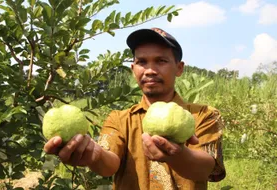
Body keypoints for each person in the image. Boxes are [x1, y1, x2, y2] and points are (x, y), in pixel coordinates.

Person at [44, 28, 226, 189]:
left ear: (179, 68)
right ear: (133, 69)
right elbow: (110, 164)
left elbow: (206, 169)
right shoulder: (119, 118)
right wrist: (93, 155)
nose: (150, 70)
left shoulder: (204, 115)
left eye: (161, 61)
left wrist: (177, 155)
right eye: (142, 62)